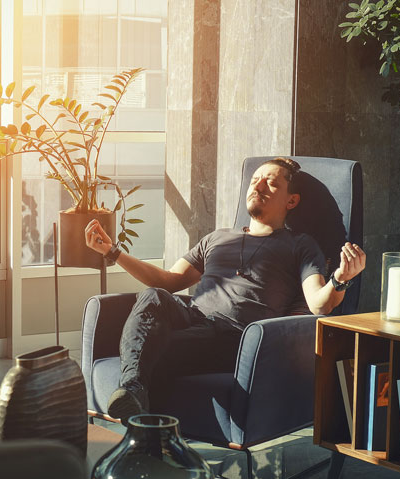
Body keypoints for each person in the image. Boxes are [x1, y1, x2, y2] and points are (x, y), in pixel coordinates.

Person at [84, 157, 366, 421]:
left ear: (291, 200)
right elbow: (167, 281)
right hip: (191, 318)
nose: (258, 185)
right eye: (255, 179)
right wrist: (112, 252)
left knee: (146, 348)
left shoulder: (300, 245)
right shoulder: (217, 237)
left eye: (271, 182)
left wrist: (340, 279)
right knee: (153, 296)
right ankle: (133, 390)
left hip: (234, 337)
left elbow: (319, 304)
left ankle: (139, 408)